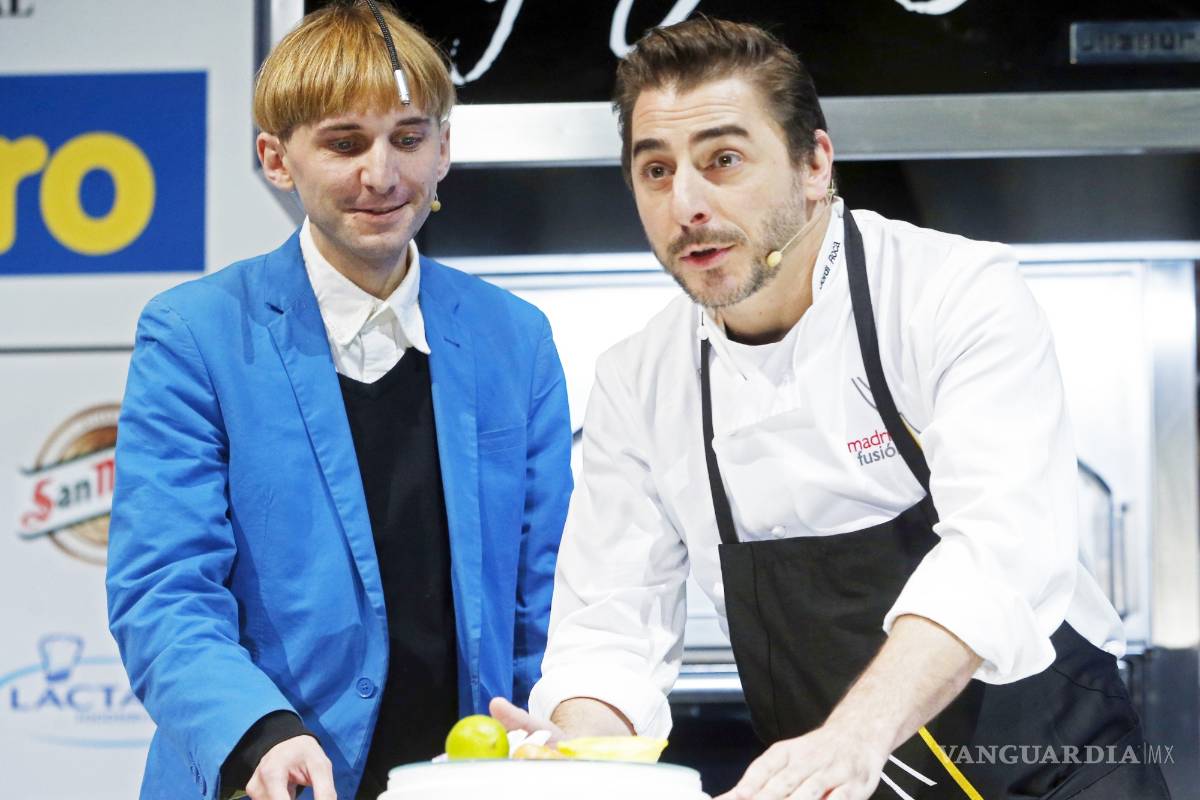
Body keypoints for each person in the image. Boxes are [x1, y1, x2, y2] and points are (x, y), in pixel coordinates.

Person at [491, 17, 1170, 800]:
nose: (686, 205)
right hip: (838, 785)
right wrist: (580, 745)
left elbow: (1001, 552)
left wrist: (855, 737)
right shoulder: (640, 380)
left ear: (816, 164)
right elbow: (610, 626)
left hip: (1056, 773)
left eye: (724, 160)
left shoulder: (951, 295)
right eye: (654, 170)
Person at [105, 3, 572, 799]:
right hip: (268, 780)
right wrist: (257, 733)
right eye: (345, 143)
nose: (382, 175)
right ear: (276, 159)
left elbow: (549, 589)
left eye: (409, 138)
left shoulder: (514, 339)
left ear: (445, 150)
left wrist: (559, 727)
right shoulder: (195, 334)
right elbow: (164, 590)